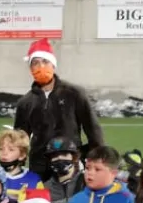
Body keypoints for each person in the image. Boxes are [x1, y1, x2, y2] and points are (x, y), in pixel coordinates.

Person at [13, 38, 104, 181]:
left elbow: (93, 130)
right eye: (35, 63)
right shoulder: (25, 103)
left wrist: (93, 158)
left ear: (53, 64)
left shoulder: (74, 93)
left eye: (45, 61)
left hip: (70, 163)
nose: (41, 66)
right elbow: (19, 140)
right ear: (30, 68)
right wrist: (17, 167)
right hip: (40, 168)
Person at [44, 137, 84, 203]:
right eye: (54, 156)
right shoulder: (45, 188)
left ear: (74, 157)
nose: (59, 158)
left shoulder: (87, 182)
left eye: (64, 154)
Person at [0, 129, 43, 203]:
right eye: (1, 149)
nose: (4, 153)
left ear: (22, 155)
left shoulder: (34, 180)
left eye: (11, 149)